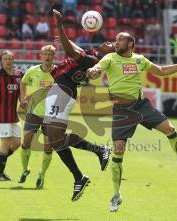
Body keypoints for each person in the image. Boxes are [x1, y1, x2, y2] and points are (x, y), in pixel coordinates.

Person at [87, 32, 177, 212]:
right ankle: (116, 195)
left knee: (170, 129)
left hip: (140, 106)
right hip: (121, 111)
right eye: (116, 40)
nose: (116, 43)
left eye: (120, 40)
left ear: (130, 43)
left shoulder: (139, 60)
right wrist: (92, 71)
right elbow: (96, 71)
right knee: (118, 152)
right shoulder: (109, 58)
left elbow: (162, 71)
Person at [40, 9, 115, 201]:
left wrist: (59, 25)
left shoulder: (96, 60)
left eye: (113, 45)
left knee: (55, 138)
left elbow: (71, 52)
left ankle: (91, 162)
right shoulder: (92, 54)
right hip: (60, 90)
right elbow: (77, 51)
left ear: (111, 55)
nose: (109, 42)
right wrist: (68, 39)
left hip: (63, 92)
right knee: (52, 137)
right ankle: (82, 172)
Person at [18, 45, 56, 188]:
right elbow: (22, 82)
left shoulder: (58, 72)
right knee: (26, 142)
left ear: (54, 57)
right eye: (45, 54)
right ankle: (25, 169)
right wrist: (23, 98)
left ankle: (42, 173)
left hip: (51, 115)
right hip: (33, 112)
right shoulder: (32, 71)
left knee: (48, 147)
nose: (47, 56)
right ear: (40, 56)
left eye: (50, 54)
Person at [0, 50, 23, 181]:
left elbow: (21, 93)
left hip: (14, 116)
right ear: (1, 61)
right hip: (2, 115)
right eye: (5, 59)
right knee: (5, 144)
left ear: (13, 59)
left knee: (17, 143)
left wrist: (24, 102)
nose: (7, 61)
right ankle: (0, 174)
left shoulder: (19, 75)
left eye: (10, 58)